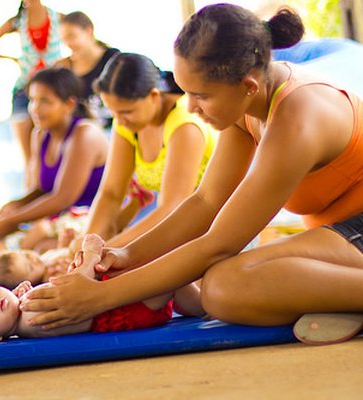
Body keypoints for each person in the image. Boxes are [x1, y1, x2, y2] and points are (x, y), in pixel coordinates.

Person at [20, 5, 363, 346]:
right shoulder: (248, 105)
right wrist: (127, 255)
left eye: (200, 96)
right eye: (186, 92)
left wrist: (97, 298)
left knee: (223, 287)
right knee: (219, 285)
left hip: (354, 228)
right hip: (339, 234)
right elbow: (205, 200)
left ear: (248, 85)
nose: (190, 108)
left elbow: (219, 245)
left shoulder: (298, 117)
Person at [0, 234, 199, 344]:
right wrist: (88, 256)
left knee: (173, 282)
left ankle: (201, 307)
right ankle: (206, 290)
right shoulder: (31, 316)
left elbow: (70, 290)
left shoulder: (24, 314)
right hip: (130, 307)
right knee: (166, 263)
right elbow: (78, 293)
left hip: (122, 300)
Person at [84, 53, 218, 247]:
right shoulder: (125, 123)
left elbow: (172, 207)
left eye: (126, 111)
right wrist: (87, 245)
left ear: (154, 95)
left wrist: (107, 249)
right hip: (174, 227)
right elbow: (111, 193)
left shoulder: (184, 125)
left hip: (214, 228)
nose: (119, 120)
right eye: (112, 111)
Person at [0, 67, 108, 242]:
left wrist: (12, 220)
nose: (36, 109)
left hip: (88, 222)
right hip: (56, 221)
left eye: (45, 101)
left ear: (69, 104)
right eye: (32, 100)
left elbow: (63, 198)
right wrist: (13, 207)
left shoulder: (84, 134)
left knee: (26, 248)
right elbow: (40, 191)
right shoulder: (40, 134)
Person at [0, 0, 63, 186]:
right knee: (30, 160)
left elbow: (79, 37)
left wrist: (64, 62)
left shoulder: (58, 19)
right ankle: (32, 207)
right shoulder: (16, 22)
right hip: (24, 91)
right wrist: (13, 59)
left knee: (54, 154)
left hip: (53, 93)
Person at [55, 11, 120, 129]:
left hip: (116, 130)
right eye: (64, 40)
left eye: (72, 36)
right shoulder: (65, 68)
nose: (68, 44)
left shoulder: (114, 59)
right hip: (86, 135)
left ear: (89, 31)